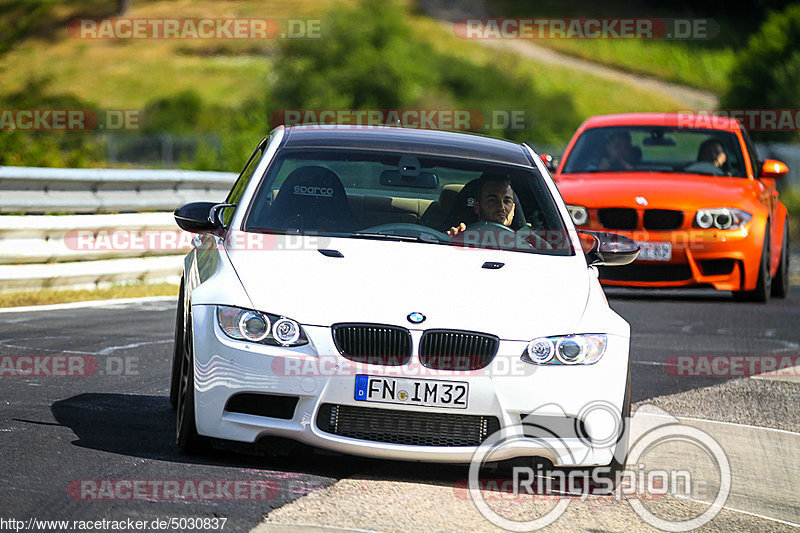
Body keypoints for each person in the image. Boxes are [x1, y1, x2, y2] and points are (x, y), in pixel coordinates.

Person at [447, 174, 515, 236]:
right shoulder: (463, 235)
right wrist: (456, 237)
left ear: (513, 208)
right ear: (477, 207)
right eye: (492, 201)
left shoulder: (521, 242)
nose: (501, 207)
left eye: (507, 201)